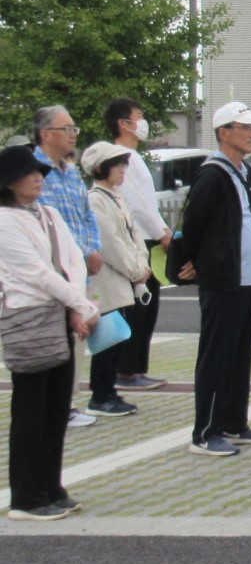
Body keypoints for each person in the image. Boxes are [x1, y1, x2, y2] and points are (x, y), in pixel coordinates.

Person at [0, 146, 100, 520]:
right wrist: (82, 305)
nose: (39, 177)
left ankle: (51, 485)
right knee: (31, 408)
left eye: (41, 172)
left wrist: (76, 304)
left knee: (58, 406)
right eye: (30, 173)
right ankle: (26, 496)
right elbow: (36, 273)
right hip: (29, 316)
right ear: (9, 182)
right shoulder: (5, 221)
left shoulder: (50, 213)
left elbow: (72, 260)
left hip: (61, 311)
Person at [167, 102, 251, 456]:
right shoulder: (212, 174)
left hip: (245, 276)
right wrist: (194, 260)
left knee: (239, 352)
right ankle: (205, 431)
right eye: (245, 127)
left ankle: (233, 421)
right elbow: (193, 225)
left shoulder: (243, 171)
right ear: (224, 132)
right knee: (216, 353)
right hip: (223, 277)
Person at [34, 106, 102, 428]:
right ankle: (54, 407)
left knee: (78, 336)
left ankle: (68, 404)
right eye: (67, 128)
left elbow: (87, 214)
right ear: (46, 134)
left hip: (80, 269)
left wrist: (92, 249)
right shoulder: (34, 171)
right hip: (51, 272)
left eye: (74, 128)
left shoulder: (72, 171)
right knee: (53, 338)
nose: (74, 134)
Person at [102, 98, 169, 392]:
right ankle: (126, 370)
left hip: (147, 237)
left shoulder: (134, 156)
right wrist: (161, 230)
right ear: (123, 124)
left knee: (149, 305)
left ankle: (137, 368)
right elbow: (139, 206)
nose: (143, 123)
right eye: (139, 117)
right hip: (137, 239)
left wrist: (160, 228)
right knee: (139, 305)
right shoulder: (120, 156)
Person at [80, 142, 150, 418]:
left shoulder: (117, 197)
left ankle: (108, 392)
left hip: (124, 280)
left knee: (117, 338)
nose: (122, 170)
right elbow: (110, 244)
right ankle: (101, 395)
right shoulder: (96, 199)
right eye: (117, 165)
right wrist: (136, 269)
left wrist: (142, 265)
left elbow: (135, 237)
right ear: (100, 168)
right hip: (107, 281)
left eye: (123, 164)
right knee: (106, 341)